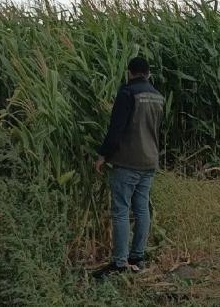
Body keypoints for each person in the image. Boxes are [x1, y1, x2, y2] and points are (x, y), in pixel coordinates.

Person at [92, 56, 165, 279]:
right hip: (150, 160)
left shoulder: (127, 93)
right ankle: (137, 258)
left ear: (130, 72)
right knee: (142, 208)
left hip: (128, 161)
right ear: (148, 73)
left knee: (121, 210)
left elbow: (116, 129)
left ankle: (119, 263)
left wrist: (103, 155)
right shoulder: (158, 97)